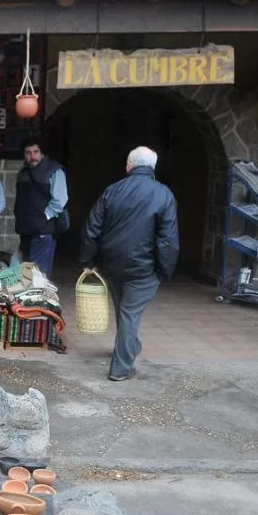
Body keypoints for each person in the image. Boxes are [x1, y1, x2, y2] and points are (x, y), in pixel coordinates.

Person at [80, 146, 179, 382]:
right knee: (129, 313)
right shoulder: (163, 194)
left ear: (129, 165)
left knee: (125, 312)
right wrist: (165, 269)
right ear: (152, 168)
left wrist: (88, 259)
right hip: (143, 269)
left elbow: (92, 228)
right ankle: (121, 368)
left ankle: (129, 347)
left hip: (112, 265)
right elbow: (168, 239)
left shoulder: (112, 191)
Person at [13, 140, 68, 277]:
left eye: (36, 152)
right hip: (25, 230)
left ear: (42, 152)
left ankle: (40, 299)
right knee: (26, 274)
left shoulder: (54, 170)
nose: (32, 156)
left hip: (43, 230)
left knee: (39, 275)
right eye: (28, 153)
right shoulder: (23, 172)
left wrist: (44, 217)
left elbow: (60, 200)